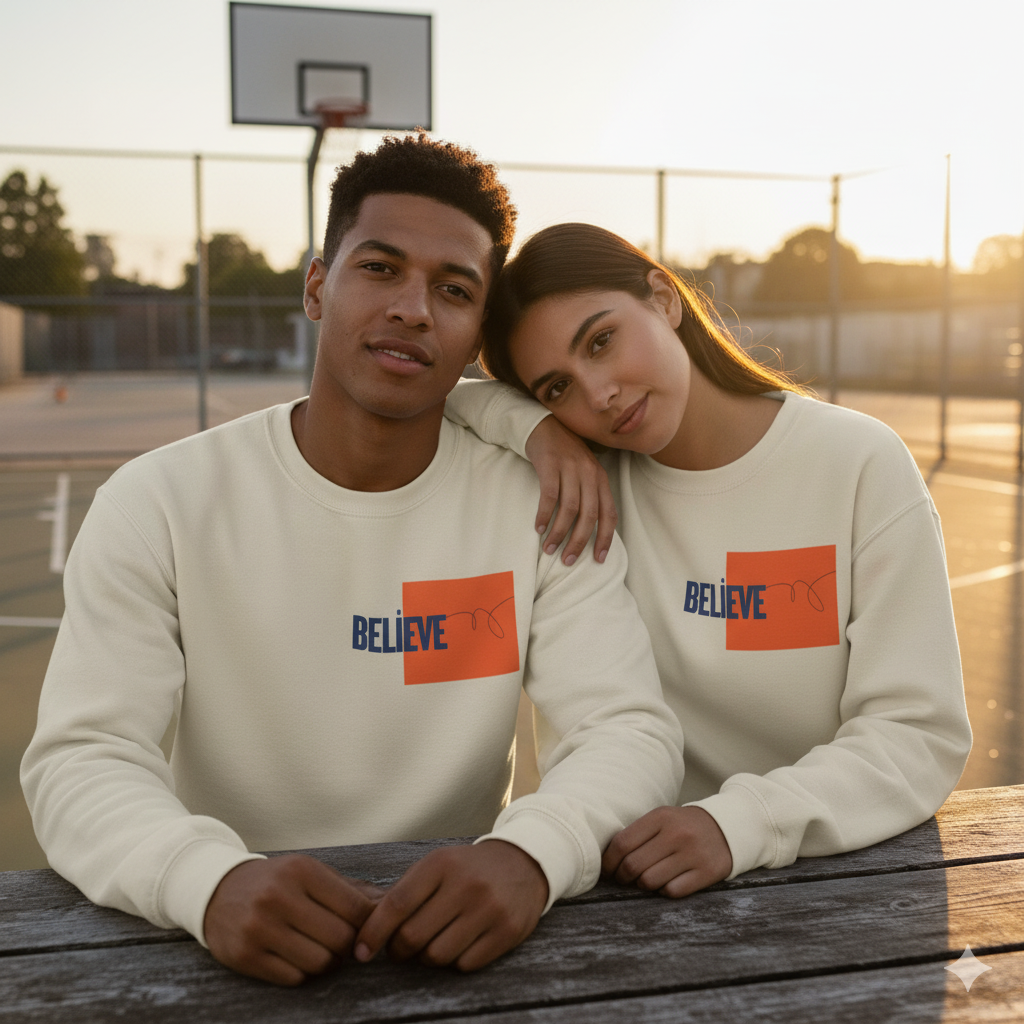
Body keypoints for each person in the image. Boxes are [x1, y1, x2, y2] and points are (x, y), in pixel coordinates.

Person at [20, 144, 685, 986]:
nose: (413, 309)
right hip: (226, 954)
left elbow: (627, 730)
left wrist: (530, 855)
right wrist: (205, 880)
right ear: (314, 287)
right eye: (379, 268)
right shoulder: (158, 501)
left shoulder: (542, 507)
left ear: (479, 334)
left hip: (457, 954)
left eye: (454, 289)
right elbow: (83, 757)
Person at [445, 221, 972, 899]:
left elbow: (917, 734)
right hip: (638, 890)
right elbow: (447, 400)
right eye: (557, 389)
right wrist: (537, 432)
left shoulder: (858, 462)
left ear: (664, 298)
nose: (597, 394)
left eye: (601, 341)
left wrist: (735, 825)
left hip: (838, 880)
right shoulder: (592, 491)